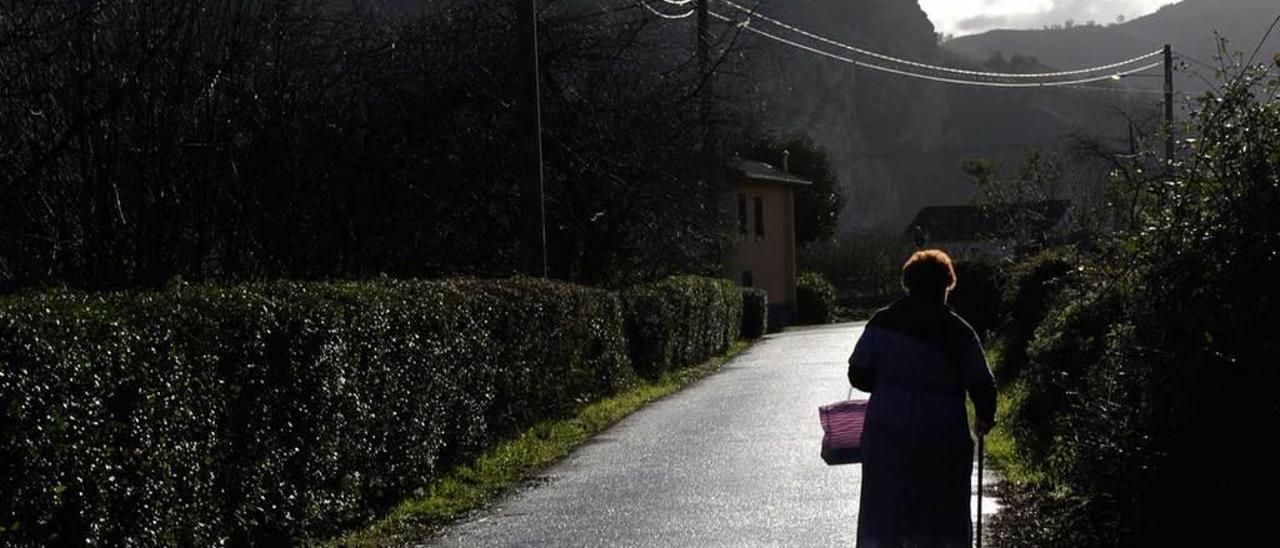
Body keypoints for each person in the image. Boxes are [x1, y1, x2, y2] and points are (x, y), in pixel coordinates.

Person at [847, 249, 997, 548]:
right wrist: (984, 418)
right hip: (942, 429)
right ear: (946, 286)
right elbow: (982, 384)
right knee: (943, 510)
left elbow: (858, 374)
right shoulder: (958, 330)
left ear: (908, 284)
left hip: (888, 428)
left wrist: (891, 385)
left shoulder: (882, 322)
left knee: (886, 508)